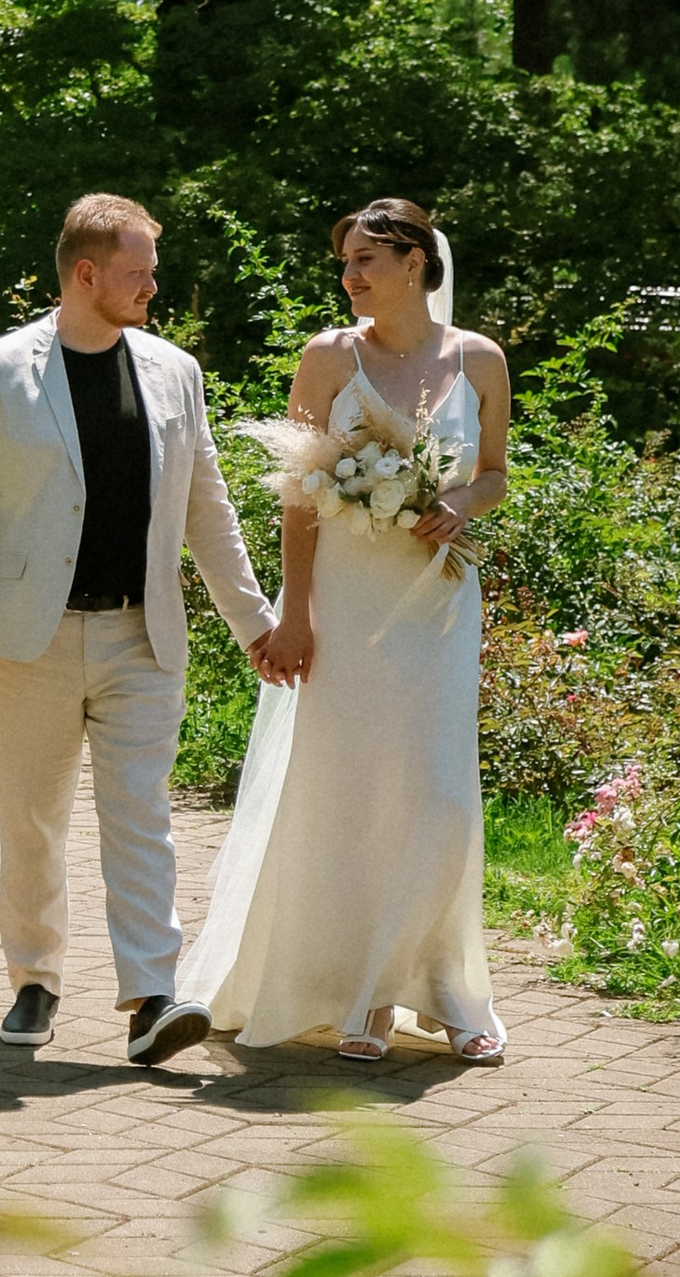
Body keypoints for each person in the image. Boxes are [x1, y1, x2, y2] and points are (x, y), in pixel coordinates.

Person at [0, 193, 274, 1065]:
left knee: (141, 816)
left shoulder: (175, 372)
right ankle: (35, 980)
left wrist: (256, 624)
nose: (152, 287)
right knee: (34, 820)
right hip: (26, 641)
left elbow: (209, 509)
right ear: (87, 275)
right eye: (137, 273)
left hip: (141, 636)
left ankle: (151, 998)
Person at [179, 197, 510, 1062]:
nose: (351, 274)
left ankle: (442, 987)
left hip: (435, 602)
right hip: (345, 604)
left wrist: (458, 504)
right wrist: (295, 615)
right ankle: (359, 994)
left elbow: (495, 477)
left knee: (437, 793)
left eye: (368, 259)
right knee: (352, 792)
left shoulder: (480, 359)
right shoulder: (329, 357)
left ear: (416, 264)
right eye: (346, 261)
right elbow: (298, 497)